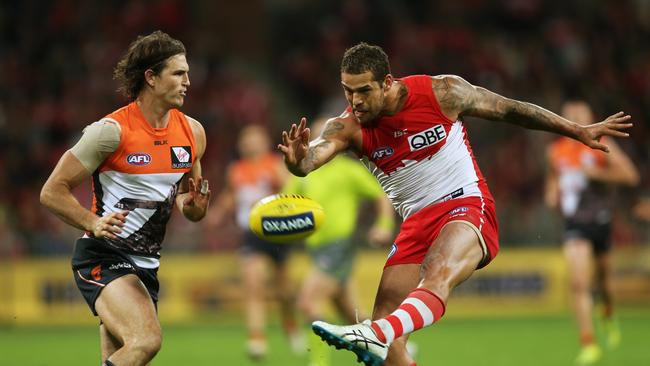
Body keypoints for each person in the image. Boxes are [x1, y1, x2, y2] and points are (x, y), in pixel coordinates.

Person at [277, 42, 633, 366]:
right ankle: (380, 335)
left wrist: (577, 130)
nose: (355, 101)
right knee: (390, 340)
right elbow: (309, 161)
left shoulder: (441, 92)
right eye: (348, 91)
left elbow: (510, 109)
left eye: (364, 91)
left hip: (464, 204)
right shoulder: (347, 128)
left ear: (387, 82)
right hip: (415, 223)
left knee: (437, 273)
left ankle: (376, 333)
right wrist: (296, 161)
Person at [40, 31, 211, 366]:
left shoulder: (193, 132)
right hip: (104, 256)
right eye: (179, 73)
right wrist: (92, 221)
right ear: (150, 77)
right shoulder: (110, 132)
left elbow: (184, 202)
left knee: (125, 356)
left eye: (187, 73)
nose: (188, 81)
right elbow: (51, 191)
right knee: (146, 340)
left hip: (147, 265)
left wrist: (192, 209)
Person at [283, 118, 396, 366]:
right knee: (350, 313)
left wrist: (383, 225)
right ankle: (392, 349)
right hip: (316, 248)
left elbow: (381, 197)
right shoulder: (305, 173)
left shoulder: (349, 170)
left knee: (308, 301)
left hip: (339, 245)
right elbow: (286, 202)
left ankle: (319, 363)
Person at [545, 100, 639, 365]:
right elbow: (552, 184)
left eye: (580, 113)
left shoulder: (600, 142)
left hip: (601, 219)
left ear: (590, 117)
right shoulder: (556, 151)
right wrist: (552, 195)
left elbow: (630, 176)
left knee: (605, 284)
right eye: (569, 114)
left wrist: (595, 173)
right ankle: (588, 343)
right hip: (575, 224)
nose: (575, 117)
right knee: (579, 284)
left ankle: (608, 312)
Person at [207, 124, 303, 360]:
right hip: (252, 233)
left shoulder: (275, 164)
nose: (248, 143)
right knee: (253, 284)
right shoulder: (236, 170)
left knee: (284, 292)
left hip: (278, 231)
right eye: (245, 139)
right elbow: (231, 195)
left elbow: (291, 190)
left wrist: (267, 200)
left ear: (263, 141)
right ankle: (257, 338)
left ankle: (290, 325)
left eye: (253, 138)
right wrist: (217, 213)